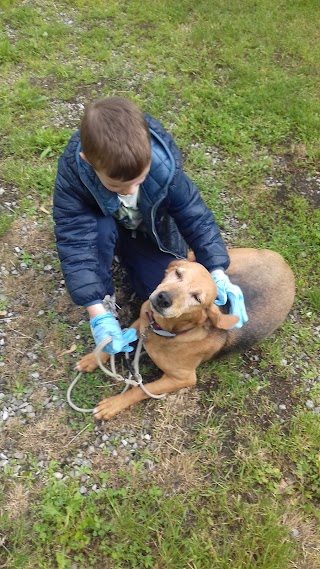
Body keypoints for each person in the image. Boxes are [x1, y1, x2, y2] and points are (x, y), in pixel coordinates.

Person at [53, 97, 248, 355]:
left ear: (148, 152)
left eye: (139, 180)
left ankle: (132, 256)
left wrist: (216, 268)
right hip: (103, 229)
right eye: (116, 187)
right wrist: (96, 311)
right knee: (97, 232)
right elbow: (77, 241)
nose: (131, 191)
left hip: (148, 234)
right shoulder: (73, 178)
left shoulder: (163, 166)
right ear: (87, 160)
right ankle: (107, 299)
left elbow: (196, 217)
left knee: (156, 292)